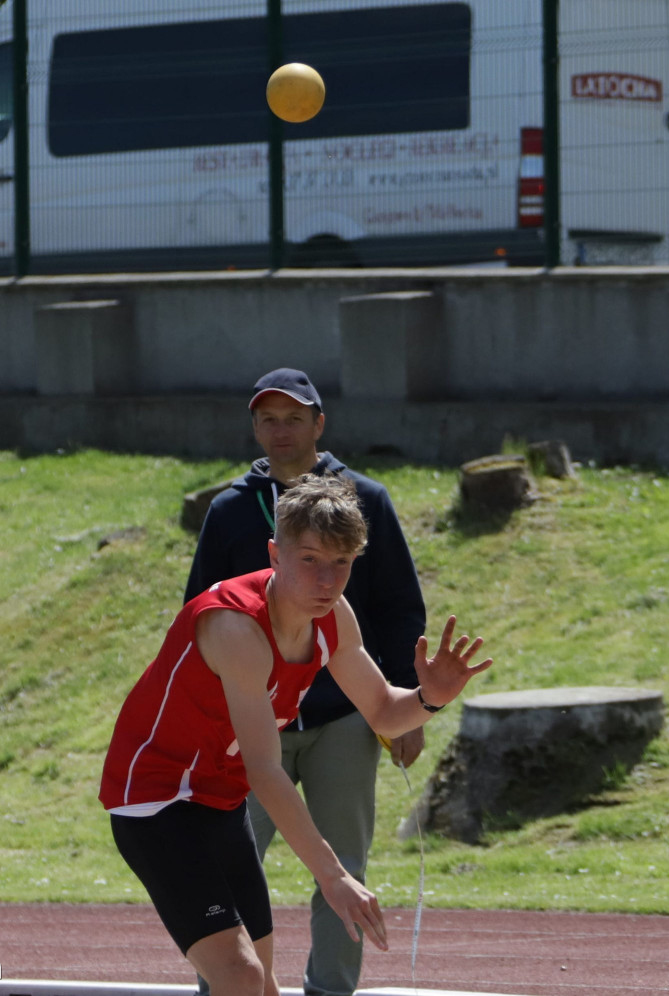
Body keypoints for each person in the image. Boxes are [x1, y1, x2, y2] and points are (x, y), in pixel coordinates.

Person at [100, 475, 492, 996]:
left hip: (220, 798)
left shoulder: (333, 618)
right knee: (239, 976)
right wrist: (333, 875)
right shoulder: (236, 629)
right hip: (157, 800)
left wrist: (430, 698)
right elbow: (265, 770)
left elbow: (382, 711)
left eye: (341, 563)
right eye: (309, 559)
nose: (327, 581)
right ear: (274, 554)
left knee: (262, 986)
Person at [184, 367, 427, 996]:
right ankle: (226, 989)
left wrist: (406, 705)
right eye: (268, 419)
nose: (281, 430)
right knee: (231, 870)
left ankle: (331, 991)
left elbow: (399, 606)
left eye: (294, 418)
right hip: (248, 726)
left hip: (342, 716)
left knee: (343, 868)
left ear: (320, 424)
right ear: (255, 429)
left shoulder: (365, 500)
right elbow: (198, 616)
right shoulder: (230, 510)